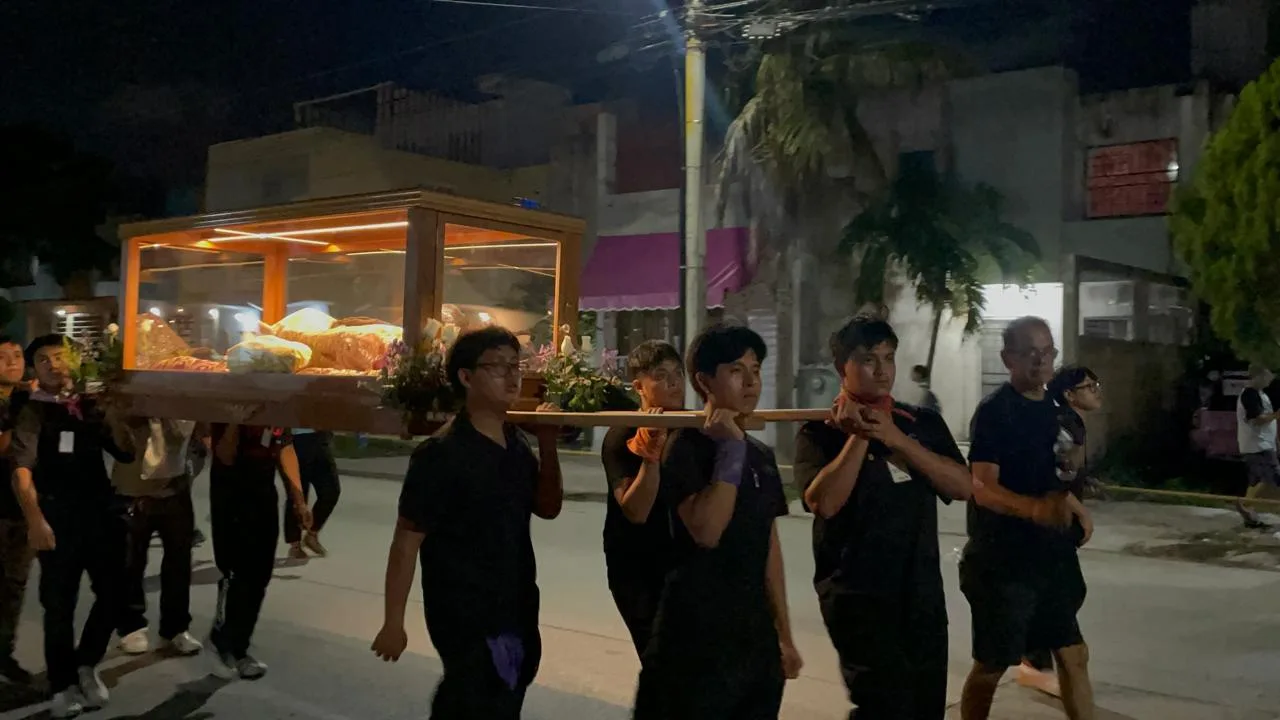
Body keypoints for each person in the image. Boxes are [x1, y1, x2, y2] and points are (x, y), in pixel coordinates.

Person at [371, 326, 564, 719]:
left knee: (507, 698)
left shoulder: (516, 443)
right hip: (464, 612)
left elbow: (548, 508)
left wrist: (547, 442)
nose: (513, 376)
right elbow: (406, 542)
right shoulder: (440, 454)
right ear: (465, 377)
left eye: (516, 366)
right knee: (474, 700)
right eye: (498, 367)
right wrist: (394, 622)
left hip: (517, 604)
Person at [795, 316, 971, 719]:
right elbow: (824, 503)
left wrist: (895, 438)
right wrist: (860, 434)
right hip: (858, 596)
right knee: (883, 706)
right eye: (869, 359)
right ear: (843, 368)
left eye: (889, 358)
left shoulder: (920, 423)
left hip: (920, 592)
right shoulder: (819, 432)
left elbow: (962, 487)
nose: (882, 370)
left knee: (925, 707)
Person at [633, 323, 802, 720]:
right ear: (704, 381)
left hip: (754, 637)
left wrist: (784, 635)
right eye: (736, 370)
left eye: (756, 369)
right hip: (694, 637)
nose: (750, 382)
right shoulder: (685, 448)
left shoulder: (759, 454)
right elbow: (707, 530)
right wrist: (730, 450)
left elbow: (769, 547)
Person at [958, 317, 1094, 720]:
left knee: (1073, 654)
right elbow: (982, 487)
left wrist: (1073, 507)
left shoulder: (1054, 409)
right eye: (1029, 352)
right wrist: (1034, 510)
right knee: (992, 665)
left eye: (1047, 351)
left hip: (1051, 558)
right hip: (1003, 563)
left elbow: (1050, 474)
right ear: (1007, 359)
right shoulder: (995, 412)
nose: (1040, 360)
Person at [9, 334, 134, 717]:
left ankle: (86, 663)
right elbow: (22, 471)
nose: (53, 364)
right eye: (43, 360)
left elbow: (126, 452)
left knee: (115, 595)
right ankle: (62, 687)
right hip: (58, 518)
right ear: (35, 369)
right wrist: (36, 521)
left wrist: (107, 412)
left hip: (101, 514)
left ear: (73, 362)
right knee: (59, 605)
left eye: (59, 356)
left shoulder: (91, 403)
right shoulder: (32, 411)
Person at [1018, 365, 1103, 695]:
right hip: (1052, 520)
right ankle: (1034, 656)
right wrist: (1081, 511)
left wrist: (1087, 482)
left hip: (1056, 520)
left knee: (1064, 590)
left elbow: (1069, 471)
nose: (1097, 390)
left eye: (1097, 384)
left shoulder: (1069, 422)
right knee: (1066, 591)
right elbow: (1051, 473)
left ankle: (1035, 653)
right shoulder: (1066, 423)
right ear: (1069, 395)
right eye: (1089, 386)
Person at [207, 415, 311, 680]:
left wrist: (298, 499)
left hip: (262, 494)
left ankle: (239, 647)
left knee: (260, 575)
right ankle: (224, 645)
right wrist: (237, 417)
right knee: (234, 574)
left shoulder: (277, 407)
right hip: (230, 495)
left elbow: (285, 448)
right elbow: (224, 455)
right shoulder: (230, 406)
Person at [600, 340, 683, 658]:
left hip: (682, 564)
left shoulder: (692, 428)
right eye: (661, 375)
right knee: (660, 662)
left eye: (678, 373)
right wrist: (650, 452)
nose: (674, 382)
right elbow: (635, 510)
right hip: (637, 568)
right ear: (639, 386)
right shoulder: (623, 434)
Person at [111, 417, 204, 657]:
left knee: (179, 561)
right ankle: (132, 626)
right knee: (131, 561)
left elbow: (193, 432)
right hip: (133, 487)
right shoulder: (132, 395)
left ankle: (176, 627)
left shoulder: (180, 396)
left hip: (175, 488)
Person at [0, 336, 33, 684]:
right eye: (2, 357)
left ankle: (3, 653)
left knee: (14, 586)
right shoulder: (22, 404)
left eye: (17, 355)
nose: (12, 361)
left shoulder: (27, 399)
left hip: (20, 509)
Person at [1233, 364, 1280, 529]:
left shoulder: (1260, 394)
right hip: (1257, 444)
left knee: (1259, 480)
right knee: (1272, 478)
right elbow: (1256, 419)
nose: (1270, 379)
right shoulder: (1250, 395)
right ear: (1258, 376)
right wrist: (1276, 415)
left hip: (1263, 443)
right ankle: (1246, 505)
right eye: (1267, 376)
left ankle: (1248, 511)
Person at [284, 428, 341, 559]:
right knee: (297, 493)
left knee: (331, 490)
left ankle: (312, 534)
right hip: (296, 437)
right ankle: (295, 544)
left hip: (320, 434)